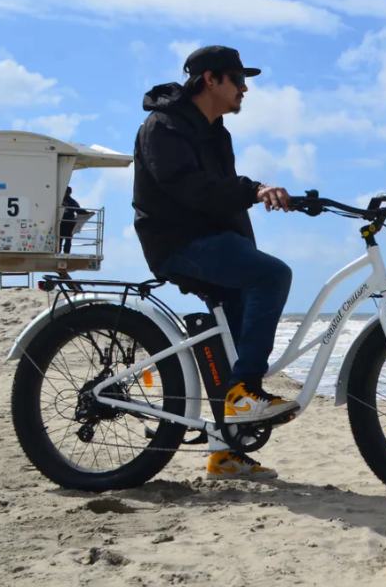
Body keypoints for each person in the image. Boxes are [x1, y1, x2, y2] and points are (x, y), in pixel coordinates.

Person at [132, 45, 299, 480]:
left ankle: (224, 452)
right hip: (178, 242)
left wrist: (248, 242)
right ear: (211, 79)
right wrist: (254, 188)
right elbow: (193, 189)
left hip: (214, 242)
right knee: (274, 274)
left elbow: (225, 201)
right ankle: (244, 393)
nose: (245, 88)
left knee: (235, 337)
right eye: (238, 79)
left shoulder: (217, 132)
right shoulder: (162, 127)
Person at [60, 186, 80, 254]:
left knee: (60, 239)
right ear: (70, 192)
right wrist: (88, 213)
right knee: (68, 239)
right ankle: (66, 252)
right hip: (69, 223)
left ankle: (58, 250)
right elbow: (79, 211)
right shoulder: (72, 202)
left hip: (60, 223)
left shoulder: (59, 200)